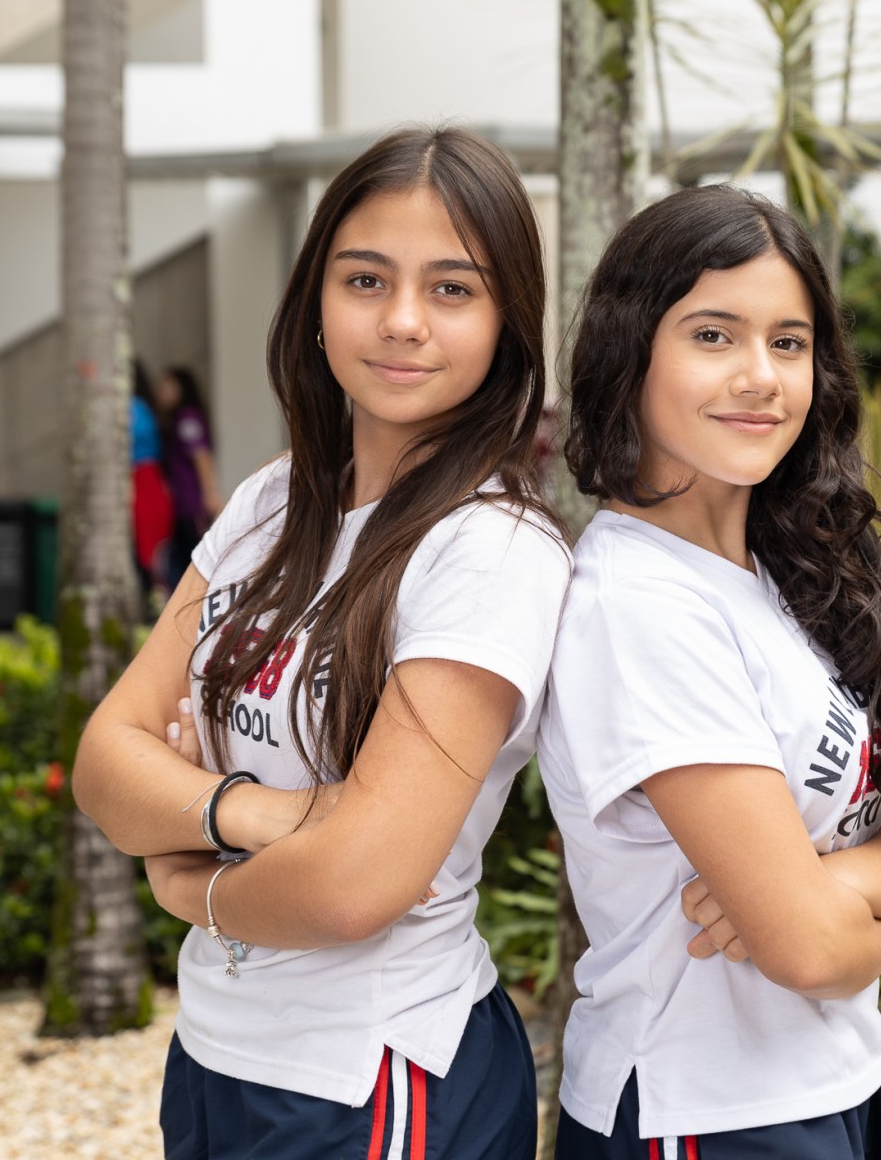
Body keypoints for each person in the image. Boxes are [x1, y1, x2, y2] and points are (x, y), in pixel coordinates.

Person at [72, 126, 569, 1160]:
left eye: (451, 289)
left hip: (372, 1074)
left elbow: (354, 888)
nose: (400, 322)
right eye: (365, 279)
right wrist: (264, 812)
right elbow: (104, 758)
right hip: (217, 1050)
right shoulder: (271, 500)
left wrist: (190, 881)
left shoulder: (489, 551)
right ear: (314, 300)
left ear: (505, 324)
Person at [540, 185, 881, 1160]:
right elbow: (811, 948)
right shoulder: (636, 606)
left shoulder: (803, 571)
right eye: (712, 336)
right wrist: (854, 907)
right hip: (698, 1113)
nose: (759, 376)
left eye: (787, 343)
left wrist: (835, 889)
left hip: (839, 1078)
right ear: (631, 353)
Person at [155, 364, 222, 590]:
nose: (162, 391)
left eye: (167, 385)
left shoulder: (187, 419)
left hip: (192, 506)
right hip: (182, 506)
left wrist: (210, 493)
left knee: (193, 563)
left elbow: (201, 457)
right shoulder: (178, 420)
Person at [131, 361, 176, 596]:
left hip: (141, 479)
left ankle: (157, 597)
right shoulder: (147, 407)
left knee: (148, 548)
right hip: (152, 479)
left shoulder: (133, 408)